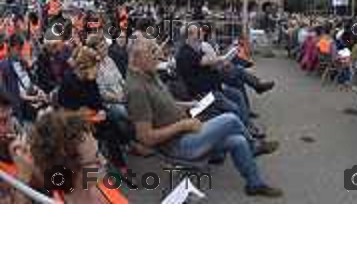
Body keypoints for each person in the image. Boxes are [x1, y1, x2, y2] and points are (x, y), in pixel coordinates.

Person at [126, 37, 282, 197]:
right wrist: (183, 125)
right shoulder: (137, 89)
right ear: (136, 58)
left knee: (238, 141)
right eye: (152, 51)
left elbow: (164, 105)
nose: (158, 55)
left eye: (156, 49)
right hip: (177, 145)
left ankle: (254, 184)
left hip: (186, 131)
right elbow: (145, 138)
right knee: (231, 118)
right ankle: (254, 146)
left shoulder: (148, 74)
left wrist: (188, 105)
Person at [29, 111, 128, 204]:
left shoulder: (101, 185)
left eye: (100, 153)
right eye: (96, 160)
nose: (104, 161)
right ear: (70, 170)